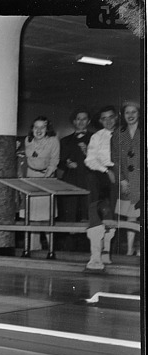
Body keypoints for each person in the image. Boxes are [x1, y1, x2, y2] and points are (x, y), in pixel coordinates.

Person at [84, 106, 118, 271]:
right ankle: (95, 257)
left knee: (115, 213)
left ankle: (107, 252)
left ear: (116, 117)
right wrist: (107, 171)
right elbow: (90, 160)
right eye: (104, 118)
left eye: (111, 117)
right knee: (99, 211)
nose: (108, 121)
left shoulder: (126, 134)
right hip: (101, 174)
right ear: (100, 121)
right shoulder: (97, 137)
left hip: (123, 175)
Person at [110, 101, 142, 256]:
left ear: (139, 114)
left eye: (133, 112)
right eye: (127, 112)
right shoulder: (118, 133)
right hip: (128, 182)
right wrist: (121, 179)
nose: (130, 115)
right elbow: (115, 160)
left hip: (143, 180)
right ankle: (130, 250)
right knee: (131, 215)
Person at [23, 116, 60, 250]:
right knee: (32, 215)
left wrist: (44, 178)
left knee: (46, 216)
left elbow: (54, 161)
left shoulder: (53, 141)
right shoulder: (28, 140)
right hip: (30, 176)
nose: (39, 130)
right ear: (32, 129)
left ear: (47, 128)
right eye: (36, 127)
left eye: (42, 127)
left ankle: (51, 248)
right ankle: (33, 248)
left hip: (46, 177)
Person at [58, 108, 92, 224]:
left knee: (88, 215)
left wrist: (88, 153)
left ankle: (88, 241)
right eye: (78, 119)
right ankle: (70, 239)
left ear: (88, 121)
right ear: (74, 121)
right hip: (70, 180)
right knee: (70, 214)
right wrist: (66, 163)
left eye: (84, 119)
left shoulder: (95, 138)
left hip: (89, 179)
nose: (81, 122)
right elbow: (60, 162)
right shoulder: (64, 141)